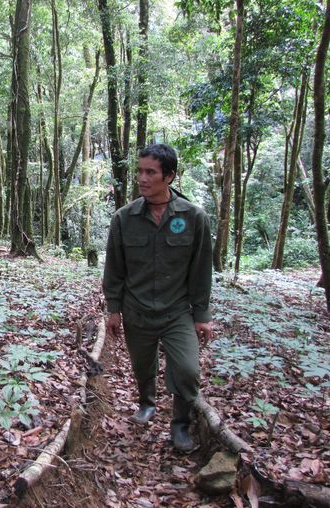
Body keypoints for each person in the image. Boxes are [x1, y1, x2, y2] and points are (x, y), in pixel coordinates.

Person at [102, 143, 213, 452]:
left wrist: (202, 315)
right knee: (141, 365)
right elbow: (114, 269)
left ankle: (180, 424)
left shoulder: (194, 217)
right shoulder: (124, 219)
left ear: (170, 176)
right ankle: (146, 401)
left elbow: (202, 270)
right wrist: (113, 309)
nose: (142, 178)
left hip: (177, 311)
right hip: (137, 310)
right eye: (140, 171)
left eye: (150, 172)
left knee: (188, 370)